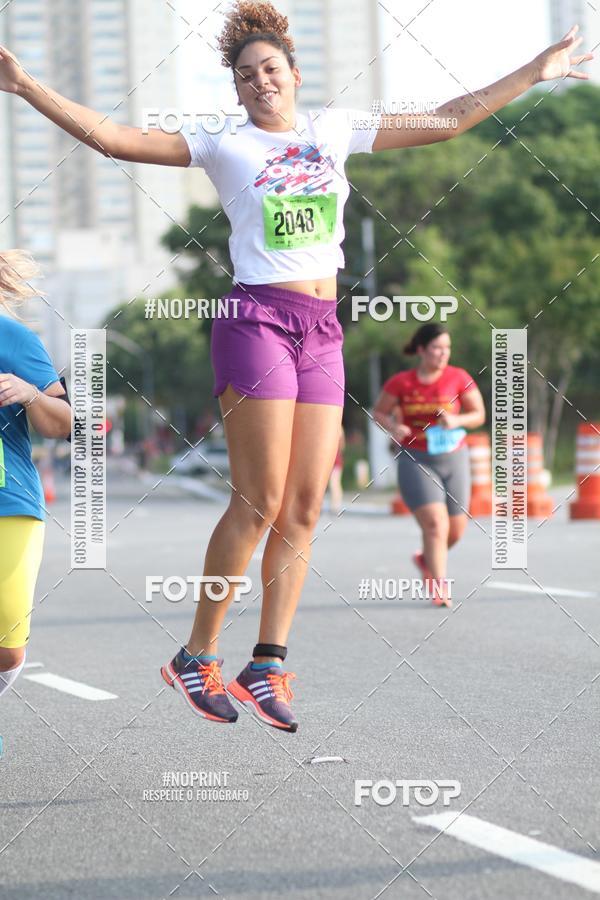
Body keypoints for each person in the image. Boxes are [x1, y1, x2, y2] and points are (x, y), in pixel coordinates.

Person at [0, 1, 589, 730]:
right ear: (236, 88)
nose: (260, 83)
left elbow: (448, 118)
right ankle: (197, 654)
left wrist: (536, 72)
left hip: (322, 329)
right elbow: (119, 139)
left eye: (270, 69)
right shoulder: (224, 143)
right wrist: (27, 87)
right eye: (246, 76)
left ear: (294, 73)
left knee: (306, 506)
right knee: (258, 499)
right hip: (256, 323)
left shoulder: (332, 129)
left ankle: (267, 662)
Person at [0, 251, 71, 749]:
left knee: (6, 648)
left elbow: (67, 422)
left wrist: (30, 394)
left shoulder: (13, 338)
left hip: (10, 501)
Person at [374, 324, 485, 607]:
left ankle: (425, 559)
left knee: (456, 529)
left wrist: (457, 421)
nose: (442, 354)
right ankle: (440, 588)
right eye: (437, 348)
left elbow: (478, 414)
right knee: (436, 524)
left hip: (454, 456)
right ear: (421, 350)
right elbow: (379, 412)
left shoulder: (458, 378)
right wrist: (393, 426)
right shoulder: (401, 383)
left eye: (447, 348)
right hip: (416, 457)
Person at [328, 426, 345, 514]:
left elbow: (341, 446)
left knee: (334, 483)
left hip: (336, 461)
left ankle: (336, 505)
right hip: (331, 460)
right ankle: (334, 504)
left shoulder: (339, 429)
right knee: (334, 484)